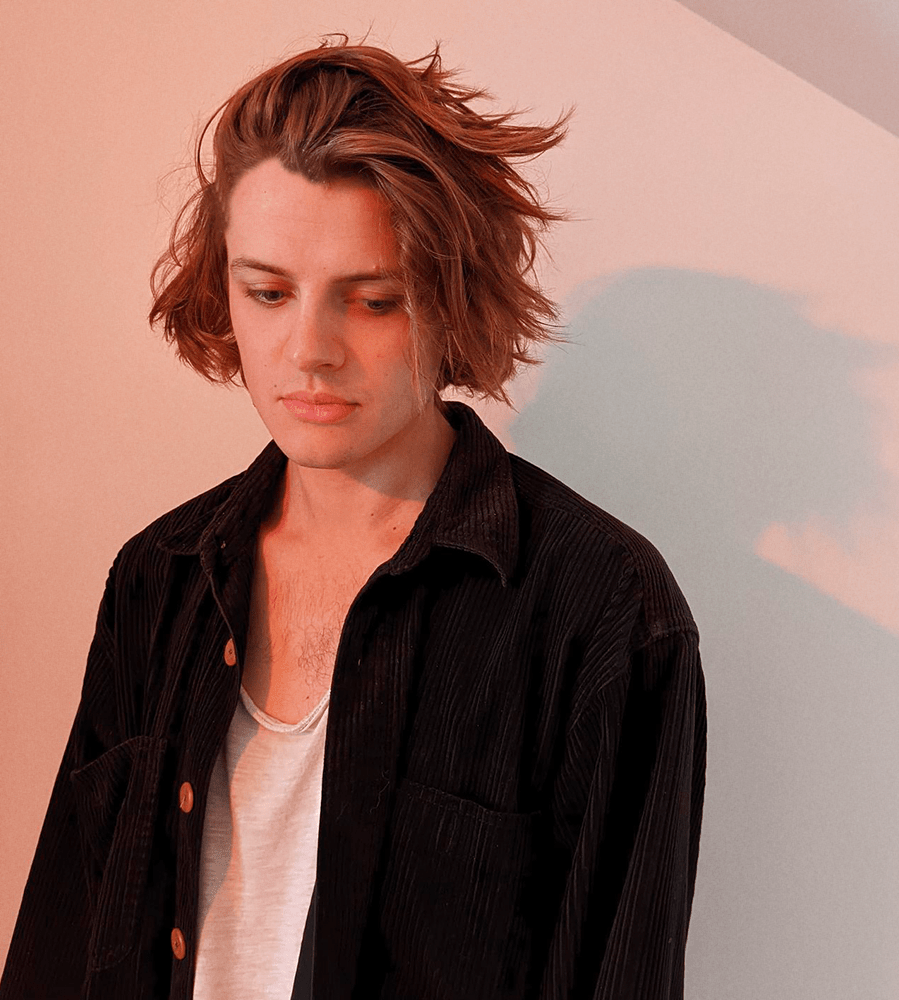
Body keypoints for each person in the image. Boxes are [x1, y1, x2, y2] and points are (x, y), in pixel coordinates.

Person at [1, 39, 706, 1000]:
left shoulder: (605, 615)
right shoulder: (157, 579)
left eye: (374, 301)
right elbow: (59, 943)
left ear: (452, 300)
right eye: (267, 292)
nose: (309, 350)